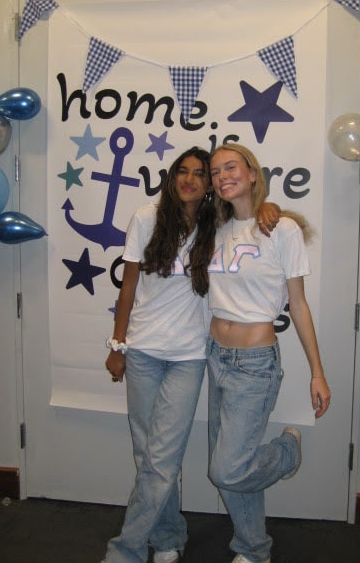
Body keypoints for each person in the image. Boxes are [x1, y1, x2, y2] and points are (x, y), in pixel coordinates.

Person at [102, 146, 280, 563]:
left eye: (201, 174)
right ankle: (166, 538)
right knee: (146, 454)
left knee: (161, 460)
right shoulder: (147, 218)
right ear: (172, 177)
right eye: (183, 171)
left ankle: (125, 550)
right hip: (143, 351)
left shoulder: (215, 224)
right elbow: (127, 288)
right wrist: (118, 345)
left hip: (189, 357)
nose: (191, 179)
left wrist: (267, 204)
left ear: (209, 186)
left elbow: (249, 214)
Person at [206, 143, 331, 563]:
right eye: (215, 171)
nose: (223, 175)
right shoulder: (217, 228)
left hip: (254, 364)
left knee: (227, 468)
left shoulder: (283, 229)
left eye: (231, 167)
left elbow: (298, 303)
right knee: (229, 470)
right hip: (215, 356)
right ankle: (253, 549)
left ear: (253, 172)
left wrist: (317, 371)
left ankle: (287, 452)